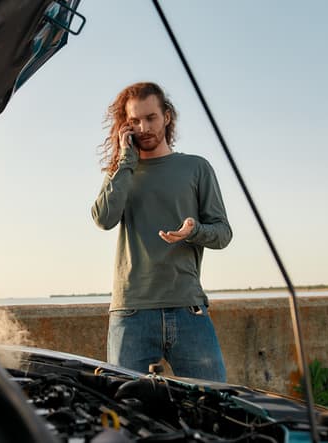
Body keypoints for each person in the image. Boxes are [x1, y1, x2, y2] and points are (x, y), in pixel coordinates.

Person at [91, 81, 232, 381]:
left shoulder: (196, 168)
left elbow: (223, 233)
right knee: (124, 407)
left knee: (215, 404)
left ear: (166, 116)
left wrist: (194, 231)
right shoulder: (120, 172)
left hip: (188, 308)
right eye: (134, 121)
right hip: (130, 313)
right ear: (124, 126)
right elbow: (104, 218)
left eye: (151, 118)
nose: (144, 127)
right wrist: (126, 161)